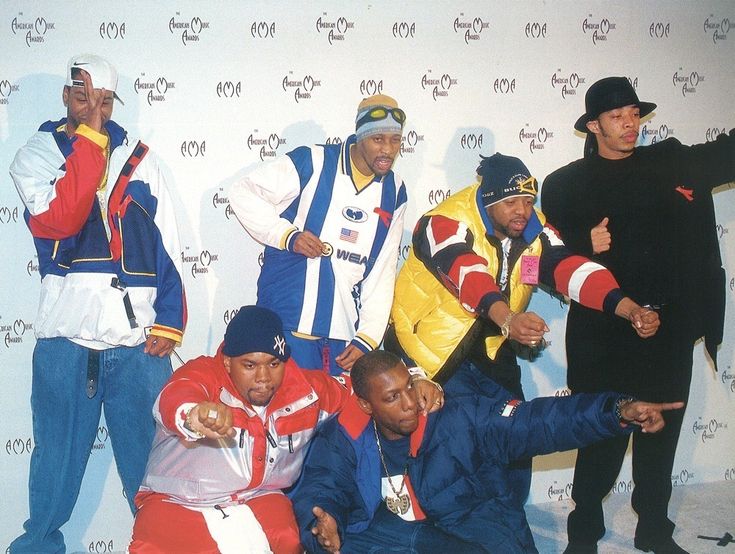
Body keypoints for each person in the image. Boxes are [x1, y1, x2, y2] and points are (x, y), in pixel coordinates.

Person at [541, 76, 735, 554]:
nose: (630, 125)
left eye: (634, 114)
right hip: (603, 333)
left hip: (668, 330)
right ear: (593, 126)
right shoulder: (565, 185)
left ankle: (654, 531)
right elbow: (538, 264)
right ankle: (583, 534)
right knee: (599, 434)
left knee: (661, 435)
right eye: (616, 117)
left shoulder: (672, 160)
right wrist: (587, 245)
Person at [9, 54, 186, 553]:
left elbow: (169, 245)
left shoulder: (143, 157)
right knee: (51, 487)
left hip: (139, 349)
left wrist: (170, 322)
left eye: (104, 102)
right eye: (84, 98)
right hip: (66, 344)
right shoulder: (38, 153)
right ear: (66, 96)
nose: (95, 111)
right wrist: (89, 136)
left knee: (157, 483)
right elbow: (62, 219)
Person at [291, 350, 684, 554]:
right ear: (366, 405)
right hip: (394, 535)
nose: (409, 403)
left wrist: (615, 411)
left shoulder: (459, 416)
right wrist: (323, 527)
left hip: (465, 527)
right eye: (392, 398)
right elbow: (321, 491)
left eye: (409, 387)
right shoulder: (342, 436)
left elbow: (540, 422)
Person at [129, 306, 442, 554]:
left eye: (274, 364)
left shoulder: (305, 389)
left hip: (258, 498)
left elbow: (363, 388)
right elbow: (175, 397)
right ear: (228, 362)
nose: (264, 377)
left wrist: (415, 378)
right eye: (250, 365)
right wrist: (194, 415)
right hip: (178, 500)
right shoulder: (203, 373)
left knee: (288, 538)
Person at [388, 152, 659, 400]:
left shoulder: (533, 227)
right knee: (455, 446)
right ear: (488, 200)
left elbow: (569, 269)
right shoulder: (444, 222)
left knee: (514, 440)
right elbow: (468, 275)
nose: (522, 211)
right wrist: (509, 320)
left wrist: (629, 308)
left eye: (528, 201)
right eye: (511, 202)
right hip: (426, 347)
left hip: (491, 342)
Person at [229, 94, 407, 375]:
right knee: (289, 415)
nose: (387, 149)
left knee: (336, 418)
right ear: (360, 135)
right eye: (378, 139)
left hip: (344, 336)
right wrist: (287, 235)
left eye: (395, 140)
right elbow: (242, 191)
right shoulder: (314, 161)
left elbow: (383, 269)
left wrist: (369, 337)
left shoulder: (395, 190)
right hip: (287, 321)